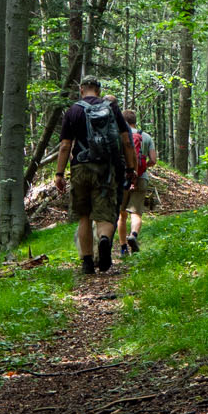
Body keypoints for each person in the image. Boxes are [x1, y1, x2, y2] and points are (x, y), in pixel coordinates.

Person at [53, 76, 130, 274]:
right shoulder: (111, 108)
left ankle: (87, 261)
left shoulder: (73, 110)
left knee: (84, 215)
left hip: (80, 167)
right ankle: (104, 240)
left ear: (81, 90)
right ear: (98, 90)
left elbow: (64, 146)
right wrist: (130, 168)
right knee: (104, 213)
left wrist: (59, 174)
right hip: (106, 168)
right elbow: (126, 140)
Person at [120, 107, 158, 255]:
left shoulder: (121, 136)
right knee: (136, 213)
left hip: (123, 178)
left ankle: (123, 248)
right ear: (135, 121)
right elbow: (153, 160)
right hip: (141, 178)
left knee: (121, 214)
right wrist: (142, 168)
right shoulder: (146, 137)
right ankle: (133, 235)